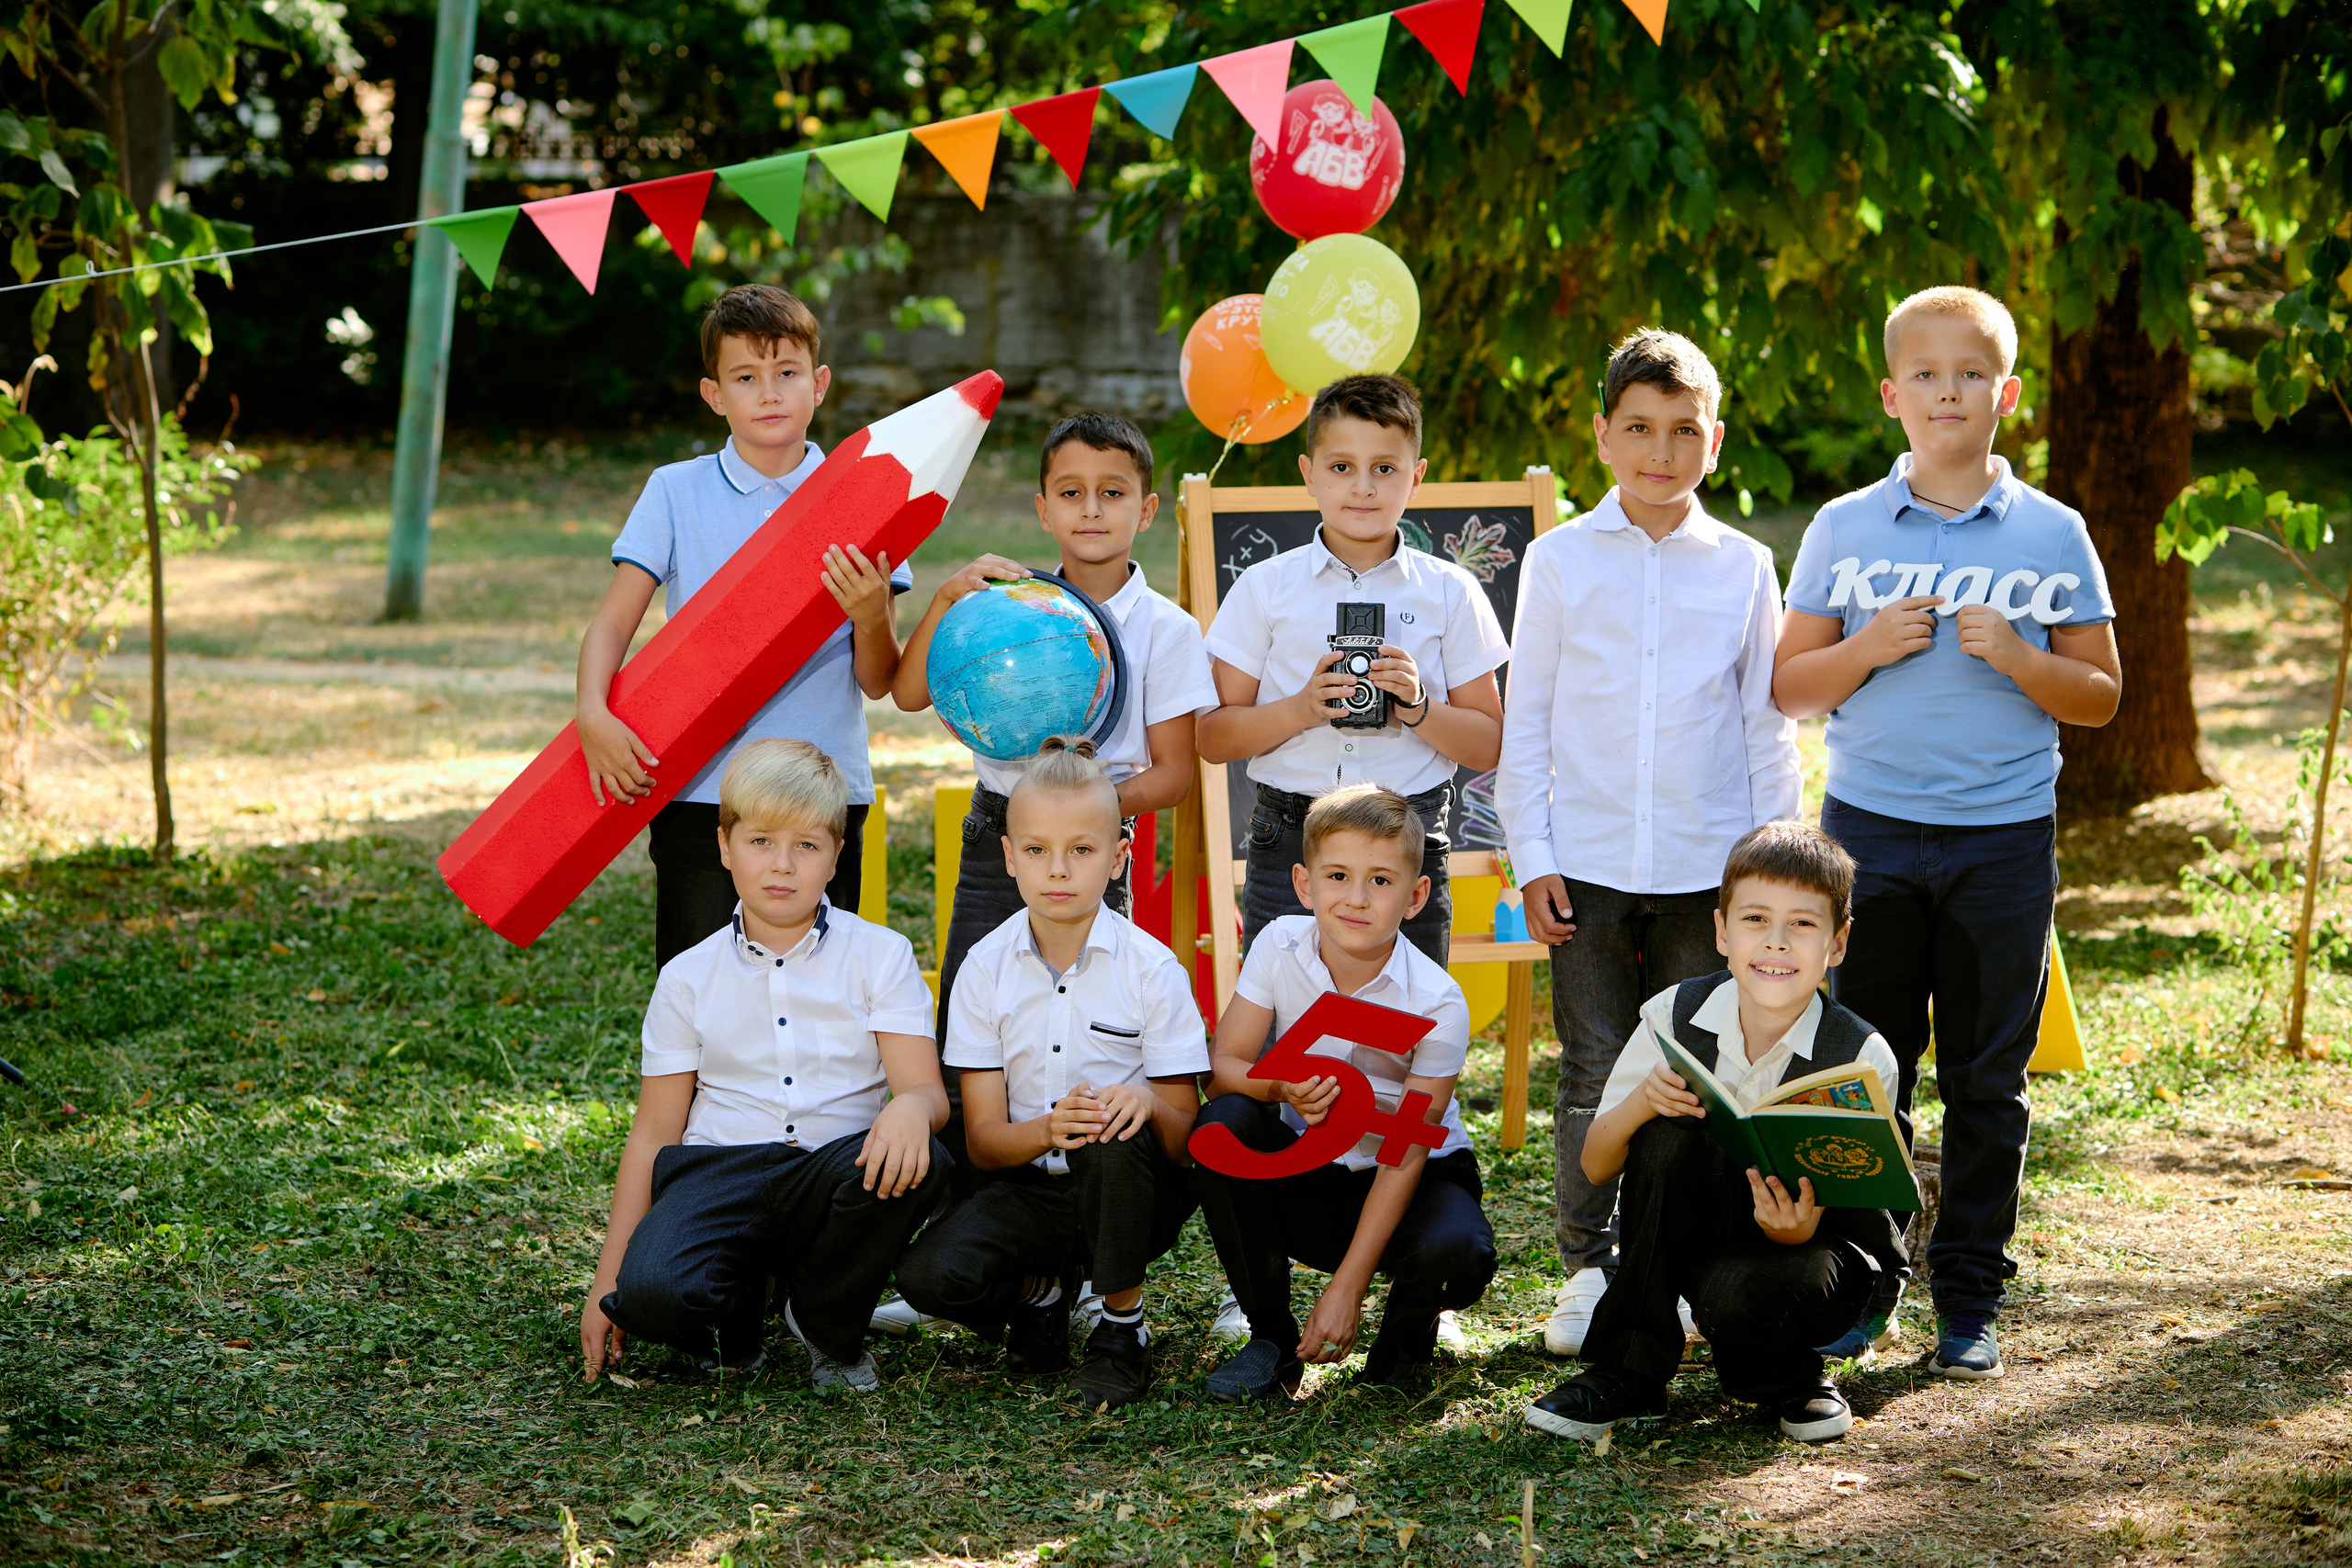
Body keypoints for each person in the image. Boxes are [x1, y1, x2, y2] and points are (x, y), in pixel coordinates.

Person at [1773, 286, 2120, 1379]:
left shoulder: (2051, 532)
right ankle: (1862, 1285)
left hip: (2001, 844)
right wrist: (1866, 647)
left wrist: (2023, 661)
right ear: (1890, 396)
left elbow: (2103, 694)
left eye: (1969, 373)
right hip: (1867, 835)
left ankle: (1969, 1295)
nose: (1946, 392)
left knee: (1987, 1076)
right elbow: (1790, 686)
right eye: (1923, 374)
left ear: (2004, 394)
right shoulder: (1844, 527)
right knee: (1865, 1075)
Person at [1496, 329, 1801, 1359]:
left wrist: (1773, 870)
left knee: (1688, 1069)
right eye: (1638, 429)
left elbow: (1766, 725)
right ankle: (1585, 1271)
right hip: (1581, 863)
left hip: (1705, 868)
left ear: (1713, 441)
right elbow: (1525, 718)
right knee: (1592, 1066)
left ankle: (1668, 1264)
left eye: (1682, 432)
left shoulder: (1748, 566)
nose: (1659, 452)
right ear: (1601, 435)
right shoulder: (1558, 560)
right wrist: (1529, 855)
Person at [578, 739, 950, 1393]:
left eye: (807, 846)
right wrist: (607, 1280)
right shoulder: (686, 977)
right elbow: (653, 1132)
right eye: (760, 841)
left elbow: (924, 1087)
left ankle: (824, 1322)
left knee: (924, 1160)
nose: (782, 865)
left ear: (836, 856)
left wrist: (913, 1106)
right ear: (725, 846)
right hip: (719, 1171)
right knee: (653, 1293)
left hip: (835, 1169)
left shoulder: (881, 956)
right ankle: (740, 1320)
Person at [890, 412, 1216, 1149]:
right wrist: (946, 599)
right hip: (995, 839)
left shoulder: (1168, 628)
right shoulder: (1003, 606)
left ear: (1147, 509)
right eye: (1071, 493)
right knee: (974, 1022)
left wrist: (1085, 807)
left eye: (1112, 492)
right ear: (1043, 509)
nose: (1092, 509)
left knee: (1093, 1021)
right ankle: (974, 1202)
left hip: (1099, 848)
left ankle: (1078, 1212)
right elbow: (909, 695)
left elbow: (1171, 776)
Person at [1523, 822, 1905, 1445]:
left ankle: (1793, 1375)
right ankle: (1630, 1369)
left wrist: (1804, 1228)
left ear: (1837, 942)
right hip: (1694, 1237)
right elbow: (1595, 1165)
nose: (1776, 943)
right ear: (1722, 931)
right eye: (1755, 919)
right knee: (1667, 1132)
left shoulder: (1860, 1053)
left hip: (1819, 1257)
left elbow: (1868, 1212)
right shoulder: (1673, 1015)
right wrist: (1641, 1104)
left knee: (1741, 1293)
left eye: (1803, 925)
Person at [578, 284, 910, 968]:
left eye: (787, 373)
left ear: (818, 384)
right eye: (746, 377)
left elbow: (877, 680)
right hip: (702, 789)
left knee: (824, 989)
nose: (769, 393)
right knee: (697, 985)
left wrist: (873, 617)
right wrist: (592, 713)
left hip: (826, 793)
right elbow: (612, 623)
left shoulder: (866, 496)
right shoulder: (674, 490)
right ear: (713, 393)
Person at [894, 738, 1206, 1411]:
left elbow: (1187, 1144)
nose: (1057, 870)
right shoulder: (984, 966)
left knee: (1105, 1128)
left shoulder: (1153, 969)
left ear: (1118, 856)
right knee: (927, 1274)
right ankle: (1043, 1291)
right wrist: (1044, 1129)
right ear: (1008, 856)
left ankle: (1123, 1329)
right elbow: (983, 1141)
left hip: (1134, 1192)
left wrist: (1145, 1102)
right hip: (1030, 1189)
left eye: (1082, 850)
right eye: (1035, 850)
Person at [1190, 784, 1498, 1402]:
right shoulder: (1279, 944)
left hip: (1417, 1176)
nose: (1357, 898)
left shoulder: (1437, 1001)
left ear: (1415, 897)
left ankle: (1403, 1349)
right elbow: (1224, 1065)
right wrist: (1280, 1085)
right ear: (1305, 885)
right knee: (1221, 1124)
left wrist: (1345, 1289)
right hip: (1315, 1170)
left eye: (1381, 881)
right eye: (1338, 875)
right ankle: (1271, 1339)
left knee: (1457, 1248)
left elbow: (1409, 1148)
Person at [1197, 374, 1510, 967]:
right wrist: (1301, 707)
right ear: (1308, 472)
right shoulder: (1265, 587)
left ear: (1416, 476)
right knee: (1282, 1033)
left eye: (1385, 469)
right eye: (1341, 467)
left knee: (1402, 1029)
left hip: (1409, 833)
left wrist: (1417, 707)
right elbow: (1213, 737)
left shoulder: (1451, 591)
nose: (1363, 487)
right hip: (1291, 834)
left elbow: (1489, 744)